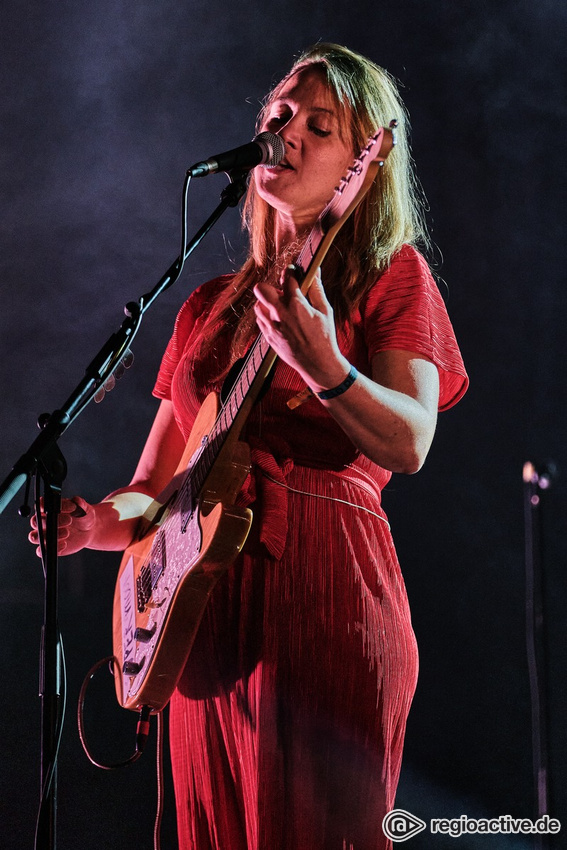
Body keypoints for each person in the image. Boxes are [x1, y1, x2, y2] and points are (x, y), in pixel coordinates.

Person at [30, 43, 468, 850]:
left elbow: (411, 440)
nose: (286, 132)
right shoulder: (203, 307)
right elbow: (155, 488)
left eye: (320, 125)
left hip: (323, 587)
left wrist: (325, 365)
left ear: (359, 166)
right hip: (199, 619)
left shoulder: (388, 272)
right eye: (279, 115)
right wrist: (93, 526)